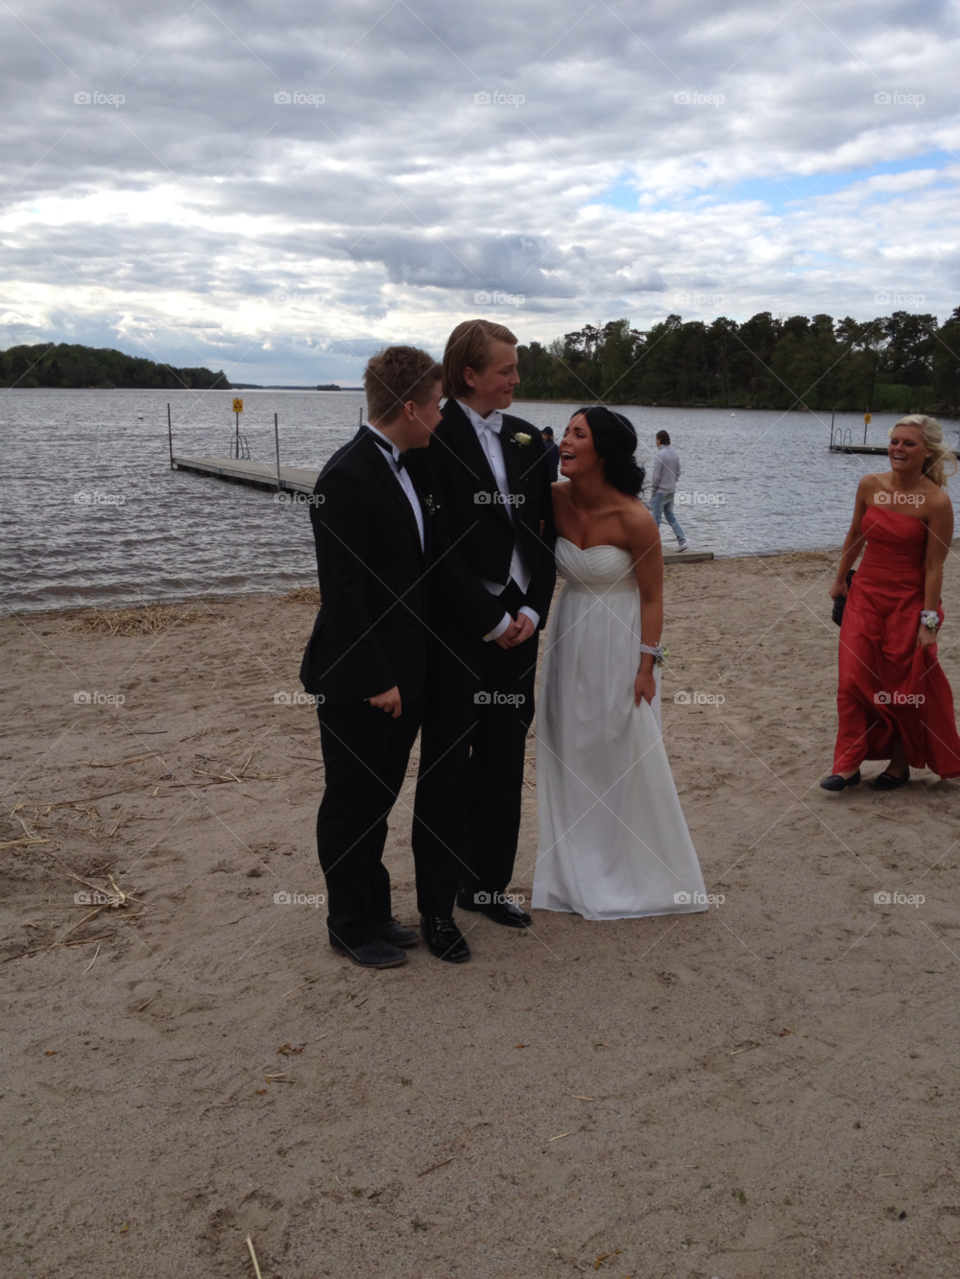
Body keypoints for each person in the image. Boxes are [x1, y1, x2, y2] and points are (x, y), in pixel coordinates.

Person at [406, 319, 556, 962]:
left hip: (521, 631)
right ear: (470, 375)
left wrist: (531, 610)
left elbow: (545, 530)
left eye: (516, 370)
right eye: (506, 370)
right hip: (460, 634)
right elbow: (432, 546)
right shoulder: (431, 438)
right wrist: (488, 617)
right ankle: (436, 909)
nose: (517, 380)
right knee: (446, 770)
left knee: (501, 762)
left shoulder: (527, 438)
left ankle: (487, 887)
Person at [532, 406, 707, 919]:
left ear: (602, 450)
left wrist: (648, 667)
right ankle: (572, 872)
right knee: (571, 747)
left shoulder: (635, 517)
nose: (564, 440)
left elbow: (654, 599)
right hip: (570, 635)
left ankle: (642, 872)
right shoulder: (550, 499)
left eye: (577, 434)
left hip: (624, 636)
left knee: (623, 750)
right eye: (565, 431)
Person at [299, 345, 443, 968]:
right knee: (351, 801)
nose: (442, 417)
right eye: (437, 407)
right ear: (409, 407)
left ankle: (376, 909)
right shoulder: (345, 477)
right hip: (360, 679)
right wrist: (377, 679)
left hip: (404, 674)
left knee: (379, 800)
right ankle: (348, 924)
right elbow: (345, 596)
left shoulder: (408, 467)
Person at [821, 414, 960, 792]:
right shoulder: (870, 485)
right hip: (865, 594)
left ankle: (899, 763)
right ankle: (848, 764)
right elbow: (854, 534)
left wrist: (928, 624)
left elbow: (935, 568)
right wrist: (839, 580)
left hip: (910, 603)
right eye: (895, 441)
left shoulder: (937, 502)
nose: (898, 449)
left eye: (908, 444)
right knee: (852, 680)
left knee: (902, 686)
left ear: (926, 452)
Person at [649, 429, 688, 551]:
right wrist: (671, 483)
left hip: (660, 492)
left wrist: (653, 490)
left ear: (659, 440)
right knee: (671, 517)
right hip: (671, 491)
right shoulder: (675, 454)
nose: (656, 442)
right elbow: (678, 472)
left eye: (656, 440)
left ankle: (652, 547)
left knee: (655, 519)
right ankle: (682, 541)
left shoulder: (659, 455)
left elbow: (656, 476)